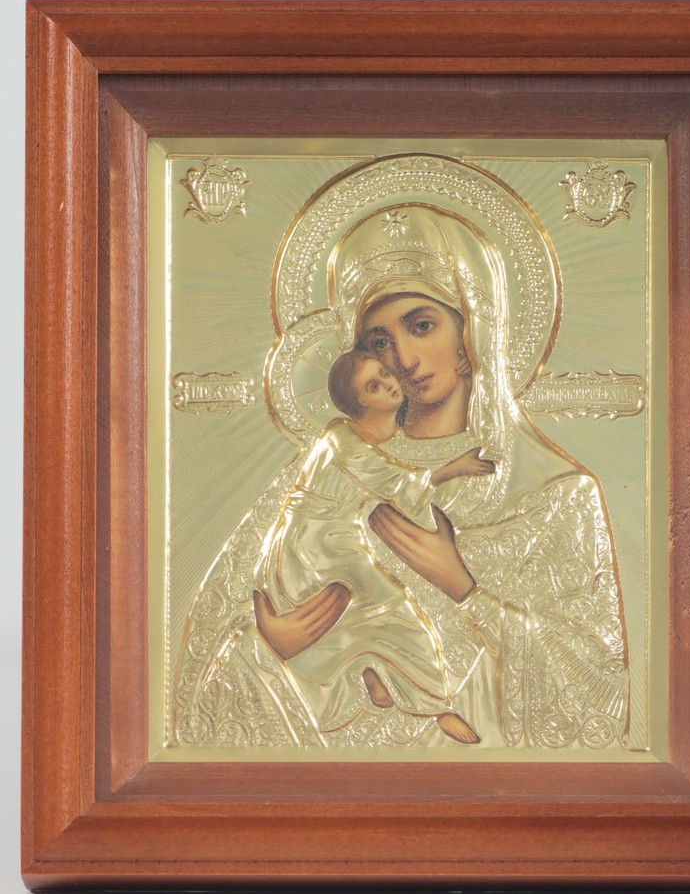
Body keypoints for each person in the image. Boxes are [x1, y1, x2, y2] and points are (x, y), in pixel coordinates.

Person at [173, 192, 630, 751]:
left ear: (470, 331)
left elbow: (595, 693)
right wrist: (271, 643)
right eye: (378, 342)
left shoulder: (554, 494)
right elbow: (210, 666)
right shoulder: (328, 464)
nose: (404, 361)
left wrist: (462, 586)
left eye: (422, 325)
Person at [252, 347, 493, 744]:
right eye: (374, 387)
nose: (388, 384)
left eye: (384, 374)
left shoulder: (382, 435)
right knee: (390, 607)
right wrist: (453, 469)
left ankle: (376, 673)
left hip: (337, 539)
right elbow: (392, 482)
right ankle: (435, 706)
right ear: (358, 403)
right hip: (313, 548)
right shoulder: (340, 438)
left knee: (378, 612)